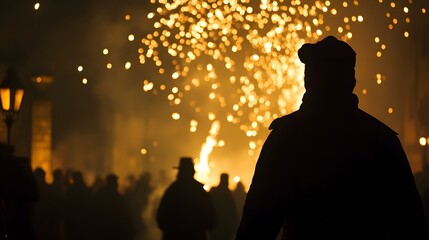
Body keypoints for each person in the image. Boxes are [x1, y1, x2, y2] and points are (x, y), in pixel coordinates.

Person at [235, 36, 426, 240]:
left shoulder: (287, 136)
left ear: (310, 80)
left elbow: (257, 222)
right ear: (351, 81)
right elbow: (409, 222)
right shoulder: (381, 139)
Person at [156, 157, 217, 240]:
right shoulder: (199, 191)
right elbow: (211, 218)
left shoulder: (172, 190)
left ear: (180, 172)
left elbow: (161, 217)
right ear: (192, 172)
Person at [209, 173, 239, 240]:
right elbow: (233, 211)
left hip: (216, 225)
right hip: (222, 225)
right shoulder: (228, 194)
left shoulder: (214, 191)